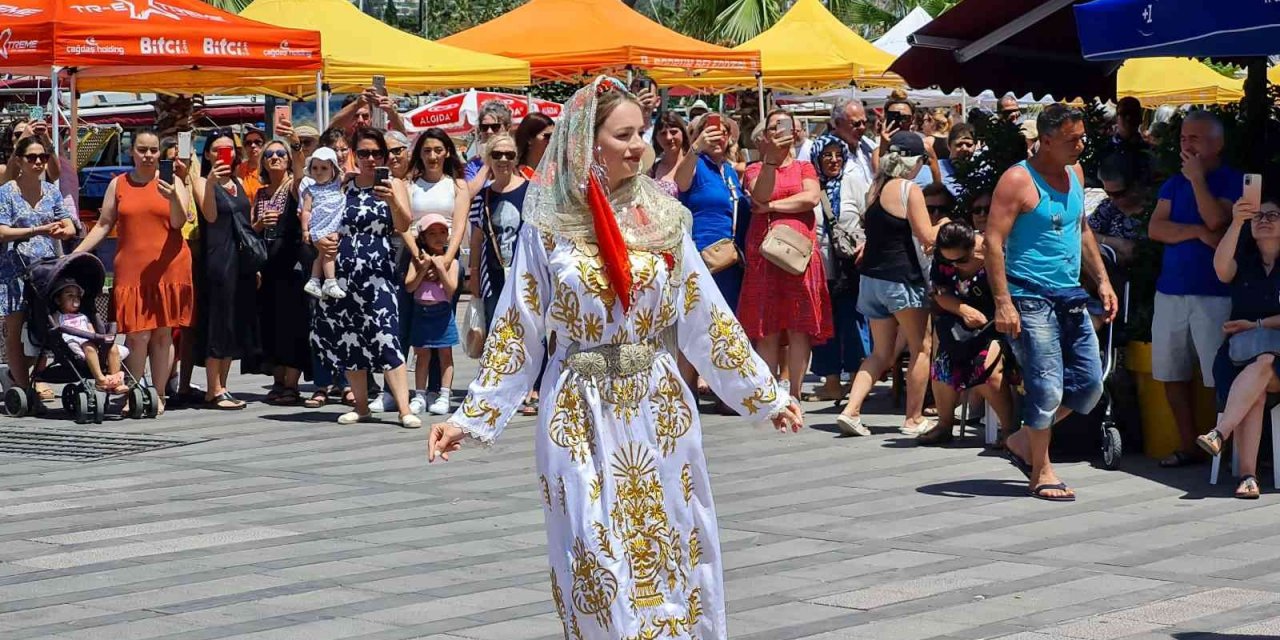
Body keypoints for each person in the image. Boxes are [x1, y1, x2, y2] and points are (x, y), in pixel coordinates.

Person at [427, 76, 803, 640]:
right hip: (578, 403)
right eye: (623, 134)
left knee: (670, 540)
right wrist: (472, 418)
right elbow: (520, 325)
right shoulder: (549, 223)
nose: (637, 145)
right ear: (587, 140)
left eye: (641, 133)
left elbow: (703, 314)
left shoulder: (663, 218)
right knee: (594, 553)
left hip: (657, 401)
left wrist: (764, 393)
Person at [988, 104, 1116, 502]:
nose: (1081, 145)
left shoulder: (1075, 175)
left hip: (1070, 296)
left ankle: (1025, 439)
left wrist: (1103, 280)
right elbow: (993, 241)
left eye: (1082, 137)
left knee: (1090, 385)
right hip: (1029, 297)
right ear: (1044, 141)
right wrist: (1002, 302)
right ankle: (1041, 470)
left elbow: (1081, 228)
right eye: (1071, 139)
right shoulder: (1017, 180)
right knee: (1045, 386)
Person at [74, 131, 192, 413]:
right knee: (137, 335)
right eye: (143, 150)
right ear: (132, 152)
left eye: (153, 150)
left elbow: (178, 222)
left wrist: (173, 195)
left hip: (169, 265)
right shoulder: (118, 183)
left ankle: (159, 394)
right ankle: (135, 392)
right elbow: (103, 224)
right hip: (131, 268)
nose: (149, 155)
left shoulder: (173, 181)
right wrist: (76, 253)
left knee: (163, 334)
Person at [1147, 111, 1240, 469]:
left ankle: (1225, 451)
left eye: (1195, 138)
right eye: (1184, 137)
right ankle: (1188, 445)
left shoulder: (1233, 181)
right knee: (1172, 372)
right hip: (1170, 291)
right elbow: (1156, 229)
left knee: (1217, 376)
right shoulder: (1172, 184)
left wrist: (1199, 181)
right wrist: (1198, 233)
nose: (1186, 144)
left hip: (1214, 293)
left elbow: (1219, 220)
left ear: (1217, 144)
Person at [310, 128, 417, 427]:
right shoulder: (343, 185)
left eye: (377, 154)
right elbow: (320, 217)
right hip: (343, 273)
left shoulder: (395, 184)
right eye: (365, 153)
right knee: (351, 339)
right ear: (355, 155)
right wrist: (319, 242)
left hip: (379, 273)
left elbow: (404, 225)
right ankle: (361, 405)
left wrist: (393, 200)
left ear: (385, 156)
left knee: (386, 336)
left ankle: (404, 408)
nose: (371, 159)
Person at [836, 132, 937, 437]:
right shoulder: (909, 190)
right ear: (913, 161)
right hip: (901, 279)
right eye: (923, 160)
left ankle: (851, 410)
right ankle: (913, 418)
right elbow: (926, 237)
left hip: (871, 280)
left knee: (881, 352)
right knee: (922, 347)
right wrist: (946, 228)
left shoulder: (875, 189)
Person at [740, 110, 830, 401]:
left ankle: (794, 392)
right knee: (767, 326)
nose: (779, 132)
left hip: (799, 254)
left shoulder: (804, 166)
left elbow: (811, 198)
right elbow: (760, 195)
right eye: (773, 127)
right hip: (764, 255)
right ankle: (768, 394)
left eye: (785, 126)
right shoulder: (755, 168)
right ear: (764, 135)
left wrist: (772, 209)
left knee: (798, 326)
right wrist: (770, 161)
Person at [1199, 194, 1280, 499]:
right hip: (1238, 356)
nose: (1264, 220)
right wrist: (1236, 221)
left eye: (1272, 215)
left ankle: (1220, 433)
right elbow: (1221, 269)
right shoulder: (1245, 262)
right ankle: (1248, 477)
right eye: (1258, 216)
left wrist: (1256, 325)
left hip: (1276, 358)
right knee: (1255, 387)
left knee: (1264, 362)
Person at [917, 221, 1016, 446]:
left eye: (962, 260)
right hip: (961, 326)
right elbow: (939, 291)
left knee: (986, 368)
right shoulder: (943, 262)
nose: (956, 266)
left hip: (997, 324)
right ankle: (944, 424)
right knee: (943, 363)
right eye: (949, 261)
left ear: (975, 247)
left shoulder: (995, 257)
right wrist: (963, 310)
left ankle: (1009, 429)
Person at [674, 113, 746, 398]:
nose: (718, 137)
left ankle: (722, 389)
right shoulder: (697, 165)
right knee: (696, 323)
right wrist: (696, 147)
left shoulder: (727, 170)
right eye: (711, 131)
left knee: (724, 325)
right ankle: (684, 390)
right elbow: (680, 182)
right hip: (702, 256)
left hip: (730, 259)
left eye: (724, 132)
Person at [192, 130, 262, 410]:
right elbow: (209, 215)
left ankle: (223, 385)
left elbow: (244, 222)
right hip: (217, 257)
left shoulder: (238, 182)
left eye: (229, 149)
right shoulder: (201, 181)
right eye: (218, 150)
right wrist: (210, 182)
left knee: (233, 322)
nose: (225, 154)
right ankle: (213, 389)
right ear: (208, 154)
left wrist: (255, 263)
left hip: (240, 259)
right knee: (218, 321)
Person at [0, 137, 77, 391]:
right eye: (31, 157)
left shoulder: (52, 191)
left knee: (43, 328)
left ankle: (20, 377)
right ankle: (22, 389)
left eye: (42, 157)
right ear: (19, 160)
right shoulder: (7, 192)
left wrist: (63, 231)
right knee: (14, 330)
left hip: (45, 269)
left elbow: (68, 223)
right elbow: (2, 232)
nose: (38, 162)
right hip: (14, 270)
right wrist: (37, 229)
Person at [404, 129, 470, 415]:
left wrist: (444, 260)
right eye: (427, 150)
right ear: (420, 152)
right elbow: (404, 224)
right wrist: (420, 259)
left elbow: (460, 224)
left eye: (438, 150)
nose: (432, 156)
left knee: (442, 330)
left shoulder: (457, 185)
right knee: (416, 326)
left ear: (447, 153)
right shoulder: (410, 185)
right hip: (415, 258)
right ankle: (417, 392)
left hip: (448, 261)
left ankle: (437, 390)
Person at [250, 135, 311, 406]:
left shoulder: (293, 188)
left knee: (293, 325)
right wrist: (261, 223)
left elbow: (300, 176)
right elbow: (251, 231)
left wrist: (296, 148)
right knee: (271, 325)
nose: (274, 157)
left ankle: (291, 384)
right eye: (269, 154)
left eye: (280, 154)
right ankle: (277, 381)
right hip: (267, 268)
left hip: (292, 265)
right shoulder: (261, 193)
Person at [808, 137, 869, 402]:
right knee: (823, 324)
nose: (833, 160)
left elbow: (868, 214)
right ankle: (831, 381)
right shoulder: (811, 186)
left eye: (838, 155)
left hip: (850, 265)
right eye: (827, 155)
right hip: (820, 265)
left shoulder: (852, 182)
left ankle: (857, 381)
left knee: (853, 322)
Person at [468, 133, 529, 327]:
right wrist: (474, 277)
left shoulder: (531, 191)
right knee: (495, 336)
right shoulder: (482, 196)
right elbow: (476, 240)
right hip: (492, 279)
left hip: (525, 276)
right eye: (497, 154)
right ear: (488, 159)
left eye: (509, 155)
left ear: (515, 158)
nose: (503, 159)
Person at [406, 214, 459, 416]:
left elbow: (451, 289)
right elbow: (410, 286)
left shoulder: (451, 262)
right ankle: (420, 395)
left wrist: (440, 268)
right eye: (432, 233)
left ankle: (444, 395)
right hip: (422, 311)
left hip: (442, 312)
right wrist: (424, 268)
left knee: (446, 354)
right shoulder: (417, 260)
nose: (438, 237)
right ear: (423, 237)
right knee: (422, 355)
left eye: (443, 232)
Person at [52, 280, 129, 394]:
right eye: (70, 295)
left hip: (89, 339)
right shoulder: (59, 316)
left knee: (112, 348)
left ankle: (114, 380)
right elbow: (57, 329)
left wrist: (97, 339)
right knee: (89, 347)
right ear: (58, 300)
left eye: (78, 296)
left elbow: (91, 329)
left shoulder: (83, 316)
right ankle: (100, 379)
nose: (75, 299)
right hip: (73, 341)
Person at [1089, 151, 1152, 264]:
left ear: (1135, 186)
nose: (1112, 199)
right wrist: (1118, 243)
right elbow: (1086, 234)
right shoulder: (1107, 207)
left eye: (1119, 194)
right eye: (1108, 193)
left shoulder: (1155, 209)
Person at [302, 148, 347, 300]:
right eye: (315, 168)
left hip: (333, 227)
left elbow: (349, 174)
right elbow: (306, 211)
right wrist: (305, 231)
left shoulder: (338, 184)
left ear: (333, 169)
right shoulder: (310, 190)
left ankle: (314, 280)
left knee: (322, 255)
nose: (319, 172)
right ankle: (330, 281)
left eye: (324, 168)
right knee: (329, 253)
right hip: (319, 228)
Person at [464, 99, 514, 191]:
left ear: (507, 128)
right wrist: (488, 161)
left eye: (495, 127)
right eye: (484, 127)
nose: (489, 132)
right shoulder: (473, 164)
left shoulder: (514, 158)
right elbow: (468, 194)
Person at [649, 111, 688, 198]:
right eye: (663, 133)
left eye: (673, 132)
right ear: (656, 137)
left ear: (683, 133)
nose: (669, 137)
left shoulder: (694, 165)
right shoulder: (652, 169)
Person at [936, 123, 976, 198]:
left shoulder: (979, 172)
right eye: (959, 144)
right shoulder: (936, 169)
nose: (964, 148)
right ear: (949, 145)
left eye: (969, 145)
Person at [514, 112, 555, 179]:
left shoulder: (556, 172)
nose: (552, 140)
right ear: (529, 139)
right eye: (548, 136)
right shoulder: (515, 175)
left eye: (554, 136)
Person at [236, 128, 266, 203]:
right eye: (248, 143)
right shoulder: (238, 169)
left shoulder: (269, 168)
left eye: (257, 142)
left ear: (264, 145)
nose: (253, 145)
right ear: (244, 147)